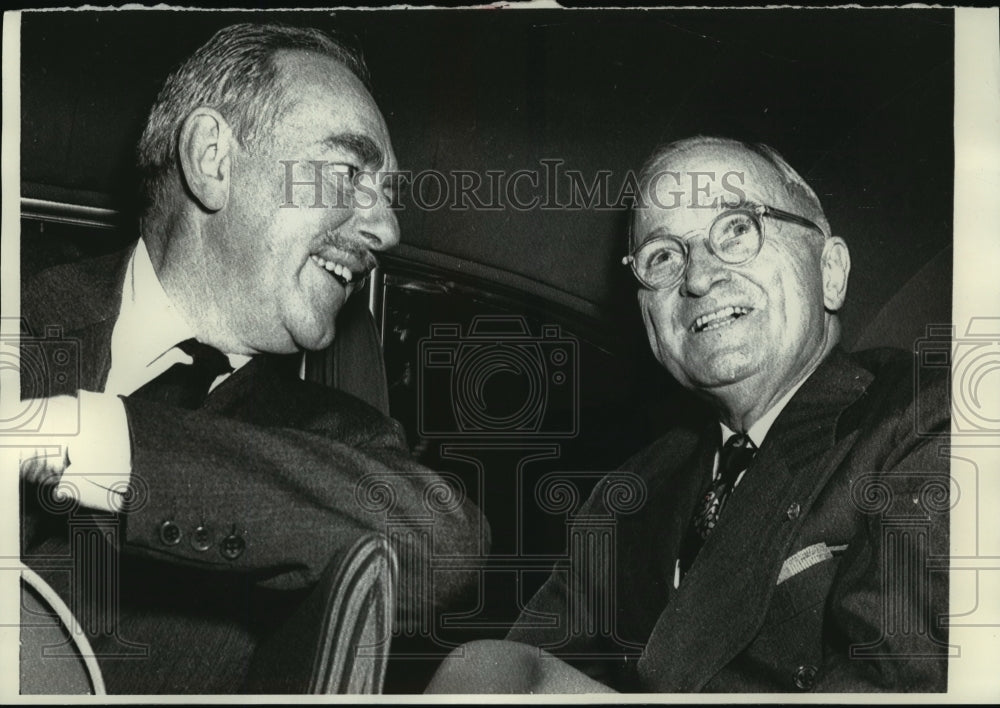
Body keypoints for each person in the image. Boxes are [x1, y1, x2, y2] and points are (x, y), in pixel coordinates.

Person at [17, 23, 485, 694]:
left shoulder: (340, 444)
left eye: (385, 194)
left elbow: (441, 548)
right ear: (214, 159)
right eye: (350, 172)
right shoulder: (21, 313)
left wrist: (96, 443)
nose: (388, 228)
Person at [426, 136, 950, 693]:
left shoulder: (923, 420)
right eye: (663, 256)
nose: (697, 276)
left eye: (737, 229)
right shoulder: (627, 496)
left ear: (831, 271)